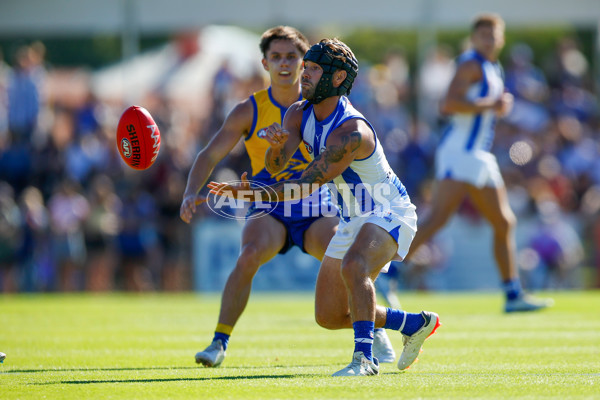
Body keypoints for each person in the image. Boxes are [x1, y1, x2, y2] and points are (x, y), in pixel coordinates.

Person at [208, 38, 440, 377]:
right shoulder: (298, 112)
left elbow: (303, 187)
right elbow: (276, 166)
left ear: (336, 78)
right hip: (353, 218)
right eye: (307, 67)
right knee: (329, 316)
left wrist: (251, 194)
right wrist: (274, 148)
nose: (304, 74)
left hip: (389, 211)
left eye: (314, 69)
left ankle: (364, 360)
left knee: (354, 264)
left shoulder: (351, 132)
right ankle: (413, 323)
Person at [179, 27, 395, 368]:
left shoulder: (322, 105)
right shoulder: (249, 110)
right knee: (249, 255)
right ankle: (219, 342)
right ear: (264, 63)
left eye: (292, 57)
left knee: (350, 264)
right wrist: (191, 191)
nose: (285, 64)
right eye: (276, 57)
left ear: (305, 63)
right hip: (269, 204)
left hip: (315, 204)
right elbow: (209, 154)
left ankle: (374, 329)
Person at [404, 14, 553, 313]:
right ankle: (388, 272)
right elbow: (447, 104)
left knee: (500, 222)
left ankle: (513, 294)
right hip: (461, 151)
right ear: (474, 39)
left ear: (501, 39)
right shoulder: (470, 63)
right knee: (438, 220)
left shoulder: (491, 67)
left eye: (493, 35)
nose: (489, 40)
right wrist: (492, 105)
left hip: (476, 153)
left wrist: (492, 107)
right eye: (483, 35)